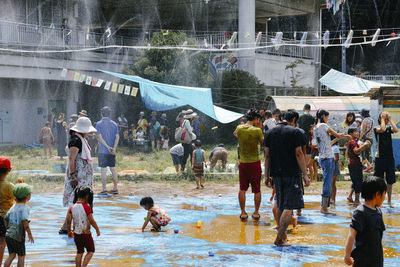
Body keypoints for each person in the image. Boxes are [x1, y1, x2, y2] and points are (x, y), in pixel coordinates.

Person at [264, 110, 310, 246]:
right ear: (294, 119)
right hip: (292, 174)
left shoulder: (269, 133)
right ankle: (279, 239)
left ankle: (283, 236)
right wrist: (306, 175)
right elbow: (299, 153)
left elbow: (267, 156)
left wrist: (266, 175)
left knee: (280, 204)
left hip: (276, 174)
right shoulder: (295, 132)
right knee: (289, 206)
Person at [60, 117, 97, 234]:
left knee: (78, 201)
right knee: (78, 201)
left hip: (82, 176)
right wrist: (73, 177)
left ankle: (66, 227)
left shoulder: (80, 139)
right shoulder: (76, 141)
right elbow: (72, 159)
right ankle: (78, 227)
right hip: (77, 177)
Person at [344, 176, 387, 266]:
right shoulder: (360, 212)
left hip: (376, 258)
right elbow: (351, 235)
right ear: (377, 194)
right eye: (384, 194)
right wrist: (347, 255)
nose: (384, 198)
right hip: (362, 259)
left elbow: (379, 236)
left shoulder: (378, 212)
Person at [234, 109, 263, 222]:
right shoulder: (257, 130)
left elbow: (235, 134)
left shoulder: (239, 128)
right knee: (257, 189)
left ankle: (243, 212)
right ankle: (256, 212)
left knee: (242, 188)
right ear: (256, 119)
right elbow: (262, 144)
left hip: (243, 163)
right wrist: (259, 128)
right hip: (254, 162)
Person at [313, 109, 344, 214]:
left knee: (327, 181)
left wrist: (336, 139)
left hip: (322, 157)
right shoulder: (324, 126)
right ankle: (324, 207)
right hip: (328, 158)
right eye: (327, 117)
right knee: (328, 182)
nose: (327, 119)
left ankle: (324, 206)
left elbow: (324, 143)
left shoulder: (315, 128)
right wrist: (346, 135)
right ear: (323, 116)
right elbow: (338, 135)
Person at [67, 186, 100, 267]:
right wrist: (97, 229)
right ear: (87, 196)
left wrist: (69, 231)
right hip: (86, 234)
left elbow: (68, 222)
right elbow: (92, 221)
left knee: (80, 252)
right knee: (91, 251)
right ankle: (83, 266)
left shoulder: (72, 207)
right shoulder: (87, 207)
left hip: (77, 235)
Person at [4, 183, 34, 267]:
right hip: (17, 236)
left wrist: (8, 230)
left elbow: (6, 219)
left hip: (9, 235)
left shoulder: (13, 207)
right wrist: (30, 234)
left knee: (12, 255)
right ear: (28, 196)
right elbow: (25, 221)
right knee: (21, 256)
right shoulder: (25, 208)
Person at [374, 111, 398, 207]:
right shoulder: (376, 128)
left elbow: (396, 130)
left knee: (390, 180)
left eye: (387, 119)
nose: (386, 120)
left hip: (389, 157)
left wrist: (391, 119)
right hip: (380, 157)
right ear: (380, 119)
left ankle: (389, 201)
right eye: (385, 118)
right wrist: (383, 118)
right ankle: (379, 200)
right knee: (379, 180)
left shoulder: (389, 128)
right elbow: (382, 128)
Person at [96, 107, 119, 195]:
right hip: (112, 151)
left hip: (102, 150)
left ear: (102, 113)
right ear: (109, 114)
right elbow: (117, 137)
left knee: (103, 170)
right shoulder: (114, 124)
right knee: (113, 169)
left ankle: (104, 189)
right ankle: (115, 188)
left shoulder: (98, 124)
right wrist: (114, 148)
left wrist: (107, 147)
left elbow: (99, 137)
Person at [346, 127, 371, 204]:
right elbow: (356, 151)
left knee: (355, 181)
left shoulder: (352, 141)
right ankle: (357, 200)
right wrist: (365, 145)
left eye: (357, 132)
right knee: (358, 182)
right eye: (355, 132)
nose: (357, 133)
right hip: (355, 164)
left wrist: (364, 144)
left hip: (354, 164)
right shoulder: (353, 142)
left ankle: (350, 196)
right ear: (350, 134)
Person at [0, 157, 14, 264]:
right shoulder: (9, 186)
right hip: (4, 218)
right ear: (9, 170)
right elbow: (19, 196)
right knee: (2, 242)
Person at [359, 109, 374, 173]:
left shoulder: (365, 120)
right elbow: (372, 130)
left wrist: (360, 138)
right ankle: (368, 168)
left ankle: (369, 165)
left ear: (363, 114)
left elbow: (363, 131)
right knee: (367, 153)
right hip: (371, 138)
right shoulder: (372, 120)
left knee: (362, 153)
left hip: (365, 139)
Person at [330, 136, 341, 205]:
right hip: (330, 166)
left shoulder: (335, 147)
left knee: (332, 183)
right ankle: (330, 198)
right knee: (330, 183)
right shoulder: (329, 147)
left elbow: (336, 158)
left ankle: (333, 198)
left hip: (334, 166)